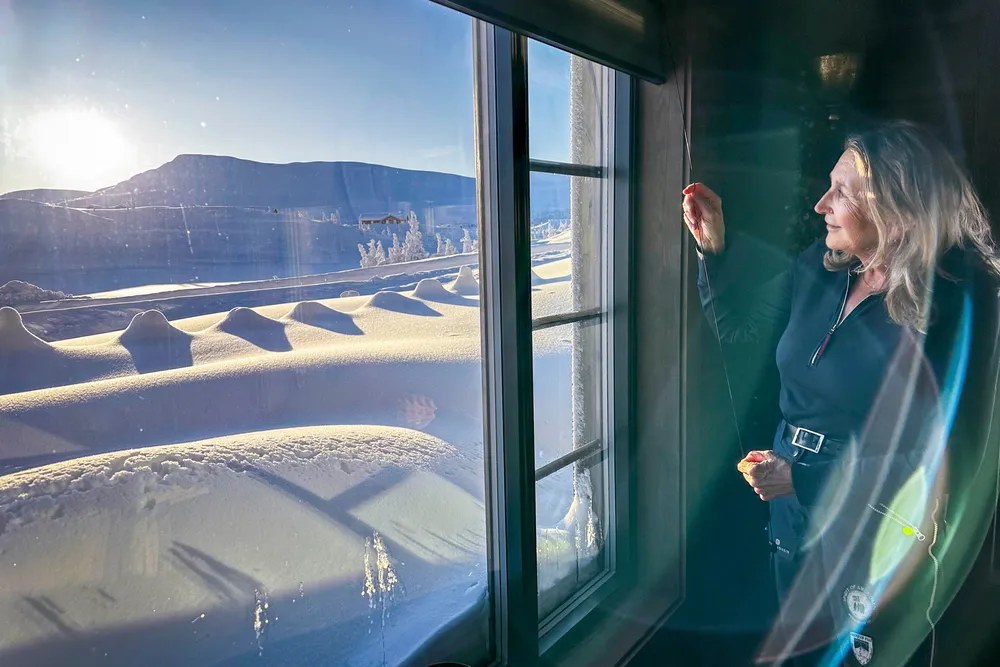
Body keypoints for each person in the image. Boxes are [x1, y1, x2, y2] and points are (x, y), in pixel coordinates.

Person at [683, 120, 1000, 666]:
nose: (821, 205)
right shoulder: (821, 266)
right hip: (791, 507)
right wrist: (715, 250)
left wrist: (804, 477)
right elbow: (742, 331)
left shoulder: (955, 306)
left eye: (842, 193)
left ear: (899, 209)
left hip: (876, 525)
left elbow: (948, 459)